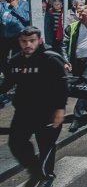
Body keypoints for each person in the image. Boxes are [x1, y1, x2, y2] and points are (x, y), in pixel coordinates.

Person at [0, 27, 67, 187]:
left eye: (32, 41)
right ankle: (36, 171)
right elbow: (8, 82)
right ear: (19, 41)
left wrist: (60, 109)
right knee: (16, 143)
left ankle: (46, 177)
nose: (27, 44)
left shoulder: (51, 59)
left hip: (48, 112)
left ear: (40, 40)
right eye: (24, 41)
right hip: (23, 111)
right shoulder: (16, 60)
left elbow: (61, 85)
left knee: (46, 147)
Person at [0, 0, 30, 71]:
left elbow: (27, 18)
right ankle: (7, 76)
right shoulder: (2, 4)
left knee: (16, 58)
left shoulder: (24, 4)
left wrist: (16, 7)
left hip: (17, 36)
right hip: (3, 36)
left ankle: (17, 76)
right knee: (3, 58)